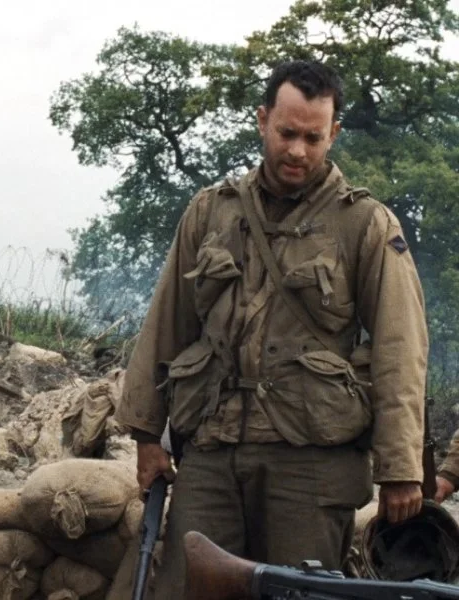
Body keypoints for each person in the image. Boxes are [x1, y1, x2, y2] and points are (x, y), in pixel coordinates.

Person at [116, 60, 428, 598]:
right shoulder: (211, 212)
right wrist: (147, 436)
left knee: (299, 592)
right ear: (262, 120)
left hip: (311, 462)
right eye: (286, 133)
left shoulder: (366, 224)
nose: (297, 151)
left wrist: (401, 468)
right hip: (212, 449)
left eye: (313, 137)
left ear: (333, 133)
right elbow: (167, 324)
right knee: (188, 588)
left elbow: (401, 350)